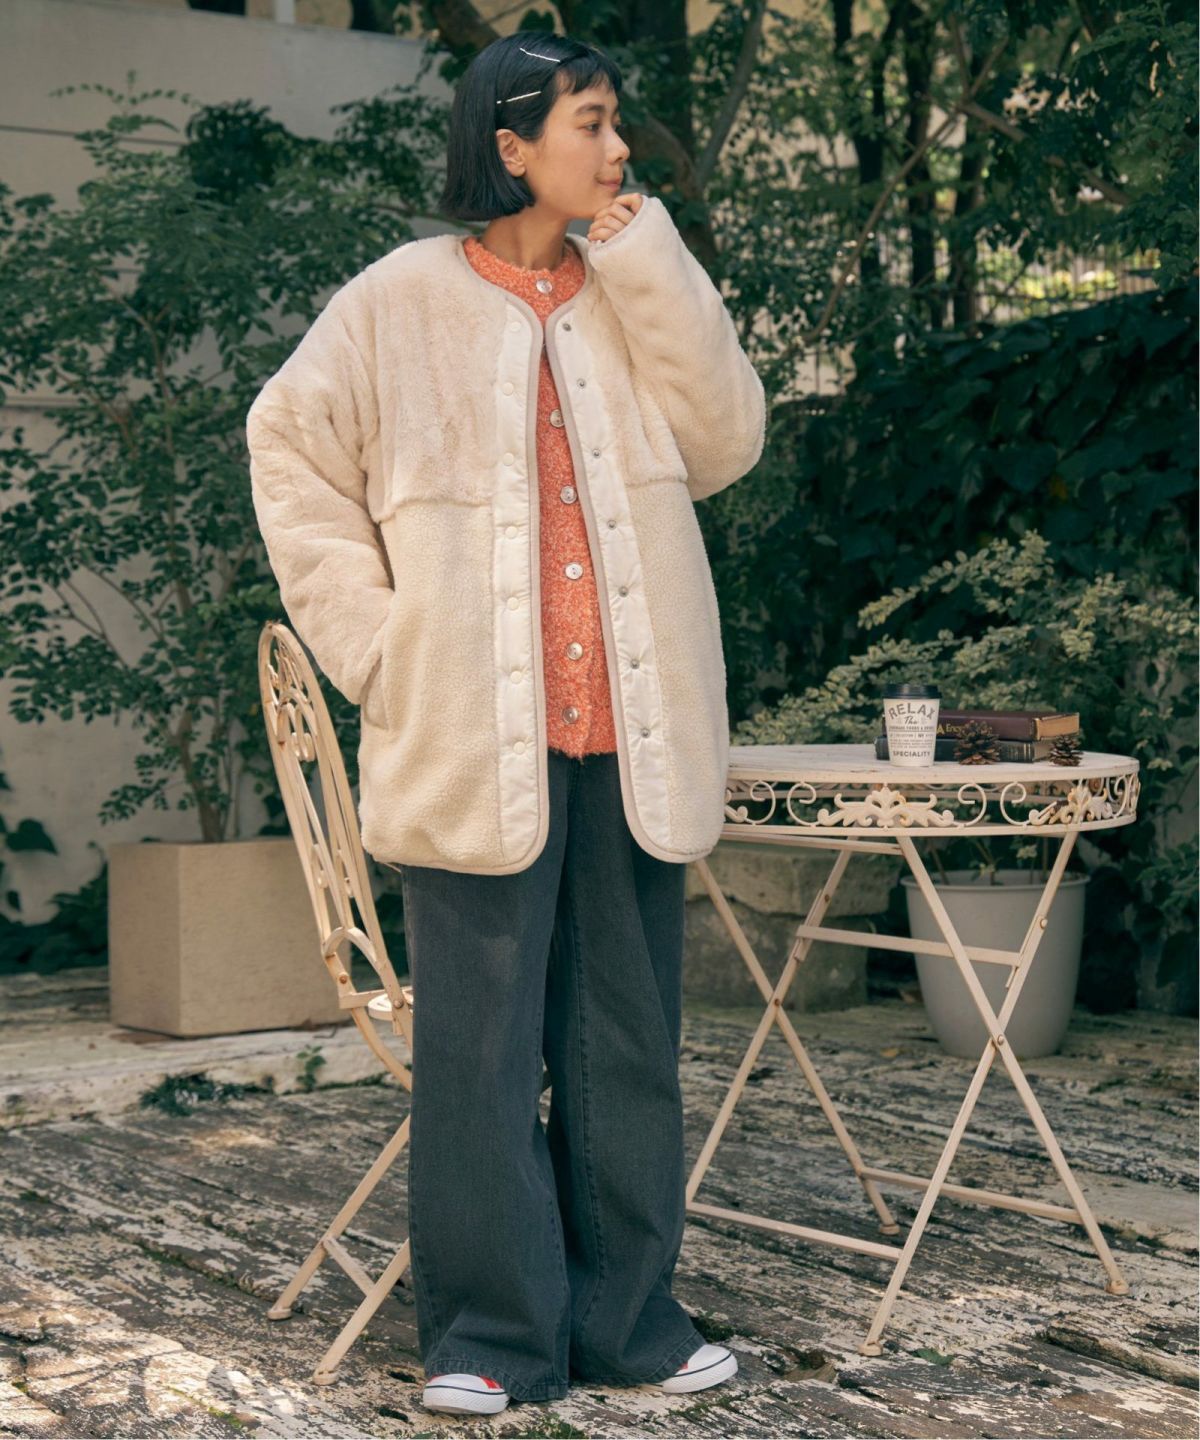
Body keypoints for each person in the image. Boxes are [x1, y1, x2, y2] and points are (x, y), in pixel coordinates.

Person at [247, 27, 765, 1421]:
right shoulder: (396, 301)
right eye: (591, 124)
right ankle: (488, 1337)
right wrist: (378, 647)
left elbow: (728, 442)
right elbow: (287, 445)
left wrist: (653, 264)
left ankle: (630, 1322)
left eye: (615, 122)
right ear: (512, 143)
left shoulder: (633, 283)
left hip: (629, 735)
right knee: (478, 1058)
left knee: (626, 1047)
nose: (617, 148)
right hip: (474, 736)